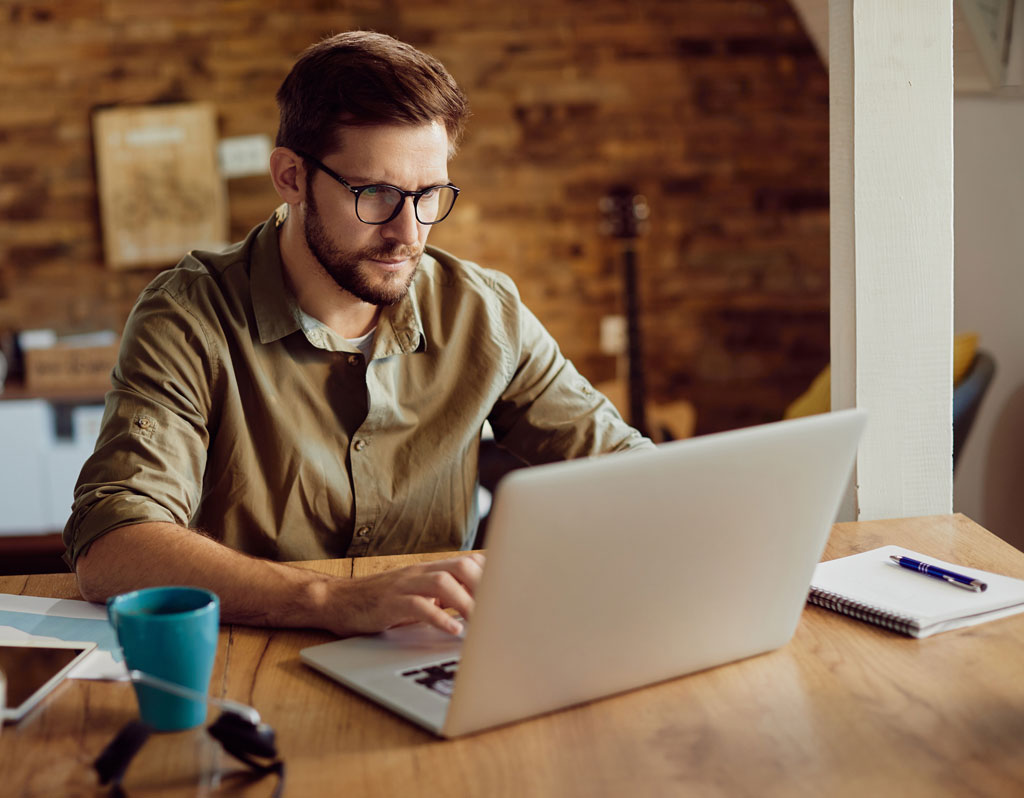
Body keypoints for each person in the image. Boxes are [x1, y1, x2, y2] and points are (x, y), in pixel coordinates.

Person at [65, 31, 651, 638]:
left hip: (431, 649)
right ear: (291, 177)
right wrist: (329, 600)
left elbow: (633, 473)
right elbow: (113, 547)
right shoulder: (187, 317)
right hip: (250, 654)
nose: (408, 233)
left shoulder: (484, 311)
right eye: (376, 194)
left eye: (429, 195)